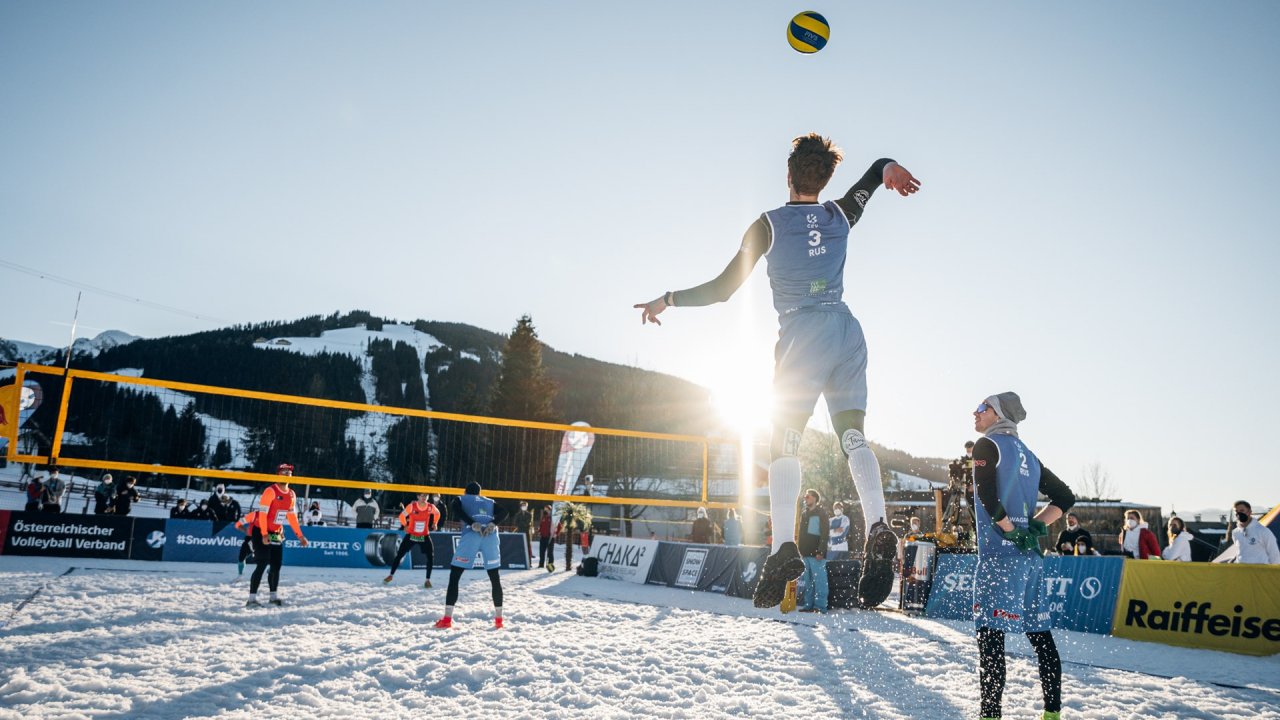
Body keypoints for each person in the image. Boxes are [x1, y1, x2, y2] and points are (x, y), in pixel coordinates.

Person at [634, 134, 921, 610]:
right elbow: (871, 178)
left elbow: (724, 289)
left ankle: (780, 548)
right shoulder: (839, 214)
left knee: (783, 440)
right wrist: (888, 166)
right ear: (826, 177)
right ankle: (877, 526)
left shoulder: (768, 225)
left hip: (802, 332)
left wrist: (668, 298)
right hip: (847, 329)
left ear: (788, 174)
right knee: (853, 438)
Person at [970, 392, 1075, 720]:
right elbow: (1065, 497)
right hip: (1030, 560)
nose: (974, 413)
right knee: (1041, 636)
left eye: (981, 408)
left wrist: (1009, 528)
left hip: (1000, 558)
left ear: (997, 413)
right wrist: (1032, 528)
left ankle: (990, 715)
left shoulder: (987, 446)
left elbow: (986, 494)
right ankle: (1052, 713)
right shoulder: (1027, 453)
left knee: (990, 640)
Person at [434, 481, 508, 629]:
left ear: (465, 492)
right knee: (495, 577)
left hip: (472, 534)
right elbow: (505, 512)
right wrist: (494, 523)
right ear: (479, 493)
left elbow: (455, 509)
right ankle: (499, 621)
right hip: (491, 535)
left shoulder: (461, 498)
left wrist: (472, 522)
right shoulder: (490, 501)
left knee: (455, 576)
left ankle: (447, 619)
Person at [246, 463, 309, 607]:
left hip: (276, 532)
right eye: (283, 471)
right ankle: (251, 600)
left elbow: (292, 517)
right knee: (262, 564)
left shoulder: (292, 494)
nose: (287, 474)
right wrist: (263, 534)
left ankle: (273, 597)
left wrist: (300, 536)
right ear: (277, 474)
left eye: (289, 472)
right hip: (260, 531)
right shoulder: (270, 491)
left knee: (276, 565)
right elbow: (262, 514)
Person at [383, 491, 440, 587]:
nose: (424, 497)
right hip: (411, 535)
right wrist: (405, 525)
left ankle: (427, 580)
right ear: (418, 496)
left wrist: (435, 523)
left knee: (430, 557)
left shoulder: (430, 507)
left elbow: (438, 514)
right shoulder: (412, 506)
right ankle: (390, 575)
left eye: (426, 496)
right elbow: (401, 516)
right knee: (399, 555)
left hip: (424, 536)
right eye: (422, 495)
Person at [797, 489, 830, 613]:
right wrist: (799, 549)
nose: (805, 498)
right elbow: (801, 533)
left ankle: (820, 607)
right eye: (805, 496)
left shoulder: (822, 513)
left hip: (817, 554)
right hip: (805, 553)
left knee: (820, 581)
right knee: (808, 581)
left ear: (815, 498)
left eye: (808, 496)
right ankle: (808, 605)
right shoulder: (804, 513)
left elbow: (825, 534)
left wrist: (821, 551)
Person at [234, 510, 263, 576]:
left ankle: (270, 574)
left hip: (263, 540)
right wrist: (245, 530)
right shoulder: (254, 515)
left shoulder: (271, 515)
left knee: (272, 558)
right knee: (241, 558)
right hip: (250, 539)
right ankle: (240, 575)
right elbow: (237, 524)